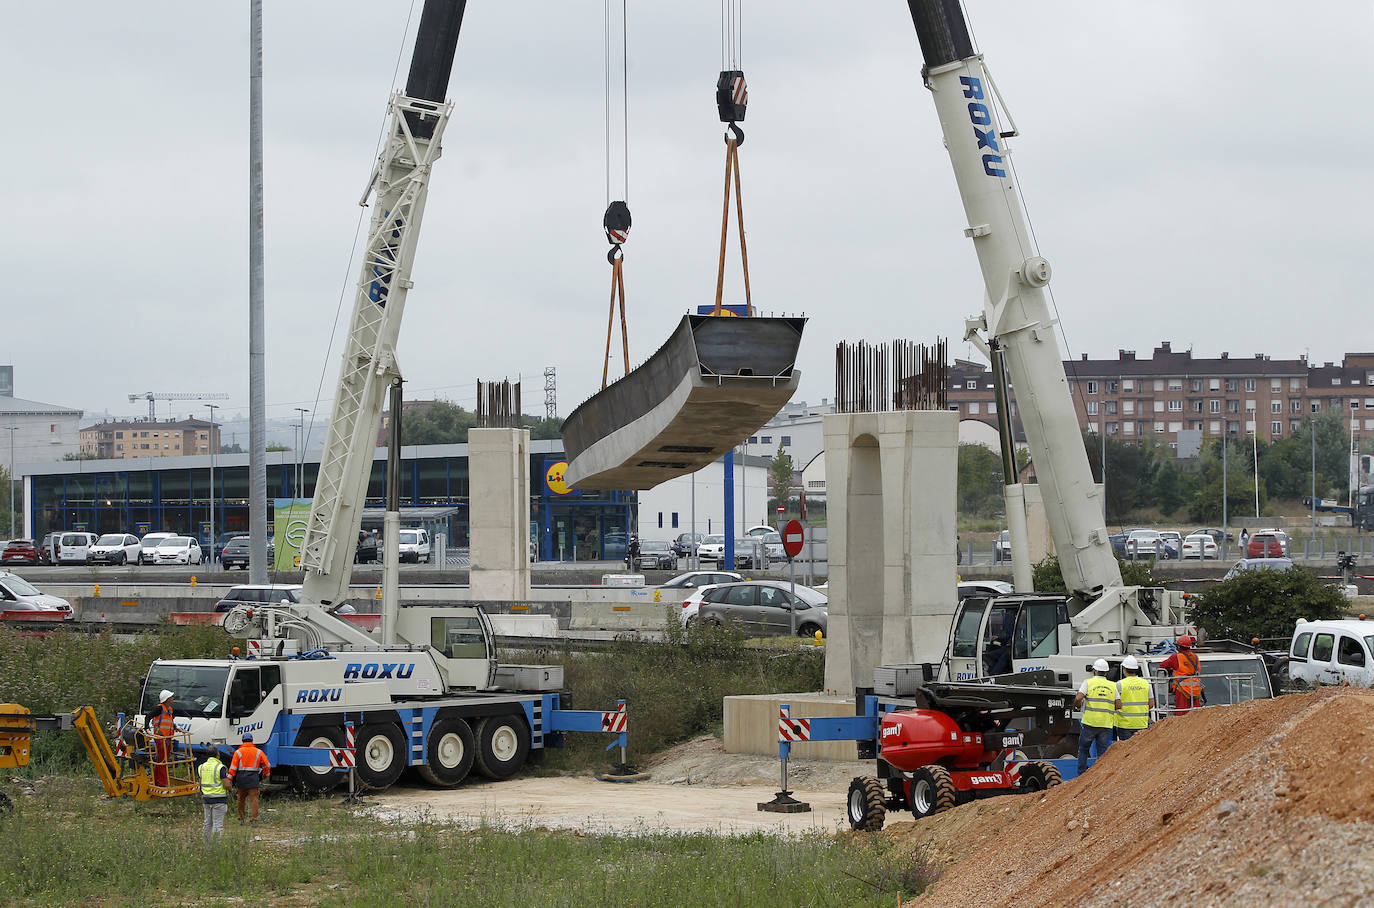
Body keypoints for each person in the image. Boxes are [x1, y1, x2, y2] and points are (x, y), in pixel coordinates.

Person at [1074, 658, 1120, 775]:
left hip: (1090, 722)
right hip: (1105, 724)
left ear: (1094, 671)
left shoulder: (1088, 682)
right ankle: (1099, 776)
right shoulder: (1112, 685)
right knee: (1102, 754)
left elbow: (1079, 698)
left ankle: (1081, 774)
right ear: (1106, 672)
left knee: (1084, 750)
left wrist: (1078, 706)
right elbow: (1119, 705)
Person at [227, 733, 271, 824]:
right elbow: (267, 765)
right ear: (252, 740)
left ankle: (241, 818)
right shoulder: (258, 752)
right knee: (254, 799)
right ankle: (254, 819)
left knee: (240, 799)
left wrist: (229, 780)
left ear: (242, 741)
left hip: (241, 779)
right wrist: (265, 774)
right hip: (253, 779)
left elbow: (233, 768)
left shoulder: (238, 752)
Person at [1160, 634, 1204, 714]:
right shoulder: (1195, 657)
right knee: (1197, 715)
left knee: (1182, 715)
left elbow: (1163, 665)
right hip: (1196, 689)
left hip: (1182, 689)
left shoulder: (1176, 657)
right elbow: (1198, 670)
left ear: (1179, 647)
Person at [1114, 654, 1155, 740]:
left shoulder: (1120, 684)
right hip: (1142, 723)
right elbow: (1151, 704)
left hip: (1124, 724)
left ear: (1124, 669)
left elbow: (1116, 704)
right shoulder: (1146, 683)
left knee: (1125, 750)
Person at [199, 749, 230, 845]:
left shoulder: (201, 767)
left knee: (207, 823)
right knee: (217, 824)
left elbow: (200, 783)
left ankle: (206, 846)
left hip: (206, 799)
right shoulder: (220, 767)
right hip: (219, 799)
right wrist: (231, 789)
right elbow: (226, 784)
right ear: (218, 755)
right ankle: (216, 848)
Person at [149, 689, 177, 787]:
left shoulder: (169, 710)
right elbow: (148, 716)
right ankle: (161, 783)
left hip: (167, 738)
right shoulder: (159, 709)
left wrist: (176, 727)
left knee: (163, 759)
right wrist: (146, 727)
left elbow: (169, 722)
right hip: (161, 737)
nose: (173, 699)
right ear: (167, 699)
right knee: (162, 760)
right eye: (171, 697)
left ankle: (159, 780)